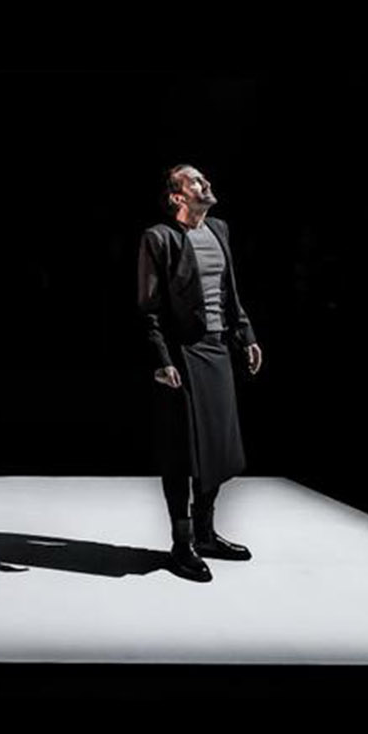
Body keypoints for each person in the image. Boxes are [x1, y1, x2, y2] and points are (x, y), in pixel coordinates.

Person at [137, 164, 263, 582]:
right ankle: (181, 542)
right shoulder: (160, 238)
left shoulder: (220, 231)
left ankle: (206, 533)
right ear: (177, 196)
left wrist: (246, 335)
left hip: (218, 350)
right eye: (195, 181)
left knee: (219, 448)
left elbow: (231, 293)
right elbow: (149, 308)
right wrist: (162, 359)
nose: (206, 183)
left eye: (205, 178)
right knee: (181, 452)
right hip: (182, 356)